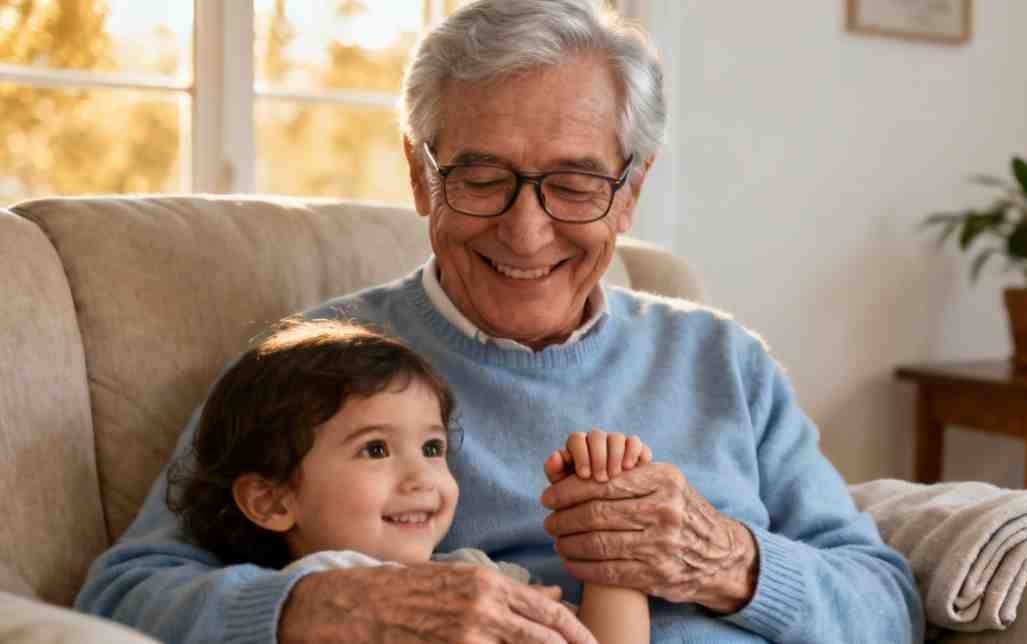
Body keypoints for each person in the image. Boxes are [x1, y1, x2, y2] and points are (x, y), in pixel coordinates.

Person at [75, 0, 925, 642]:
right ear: (420, 175)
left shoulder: (721, 359)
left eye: (574, 183)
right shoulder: (320, 365)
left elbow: (886, 604)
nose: (526, 231)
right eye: (481, 178)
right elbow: (123, 593)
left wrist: (727, 561)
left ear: (630, 191)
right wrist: (331, 605)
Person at [164, 318, 653, 644]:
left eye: (432, 448)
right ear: (270, 501)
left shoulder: (479, 573)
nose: (422, 476)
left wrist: (611, 525)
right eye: (375, 448)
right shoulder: (325, 601)